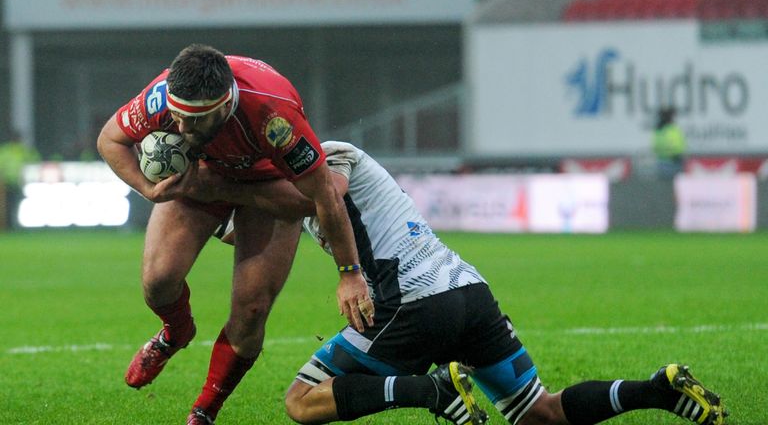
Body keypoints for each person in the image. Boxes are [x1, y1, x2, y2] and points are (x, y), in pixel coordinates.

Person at [216, 141, 727, 425]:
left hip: (411, 303)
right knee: (538, 415)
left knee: (301, 400)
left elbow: (326, 190)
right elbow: (242, 231)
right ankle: (657, 391)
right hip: (469, 295)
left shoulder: (331, 154)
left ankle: (432, 390)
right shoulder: (289, 199)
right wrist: (197, 196)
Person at [96, 44, 373, 425]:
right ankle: (175, 333)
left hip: (267, 185)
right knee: (158, 281)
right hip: (203, 177)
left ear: (224, 108)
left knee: (251, 312)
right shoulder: (162, 95)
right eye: (177, 117)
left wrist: (349, 273)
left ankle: (204, 411)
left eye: (193, 122)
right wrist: (148, 189)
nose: (180, 129)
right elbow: (109, 140)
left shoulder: (273, 115)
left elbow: (321, 196)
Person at [0, 132, 40, 230]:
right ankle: (8, 225)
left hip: (18, 182)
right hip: (6, 183)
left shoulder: (19, 150)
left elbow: (35, 159)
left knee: (15, 204)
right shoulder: (7, 150)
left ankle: (13, 224)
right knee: (8, 204)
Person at [653, 106, 687, 179]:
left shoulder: (659, 130)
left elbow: (656, 147)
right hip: (671, 162)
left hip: (668, 162)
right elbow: (676, 146)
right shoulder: (670, 130)